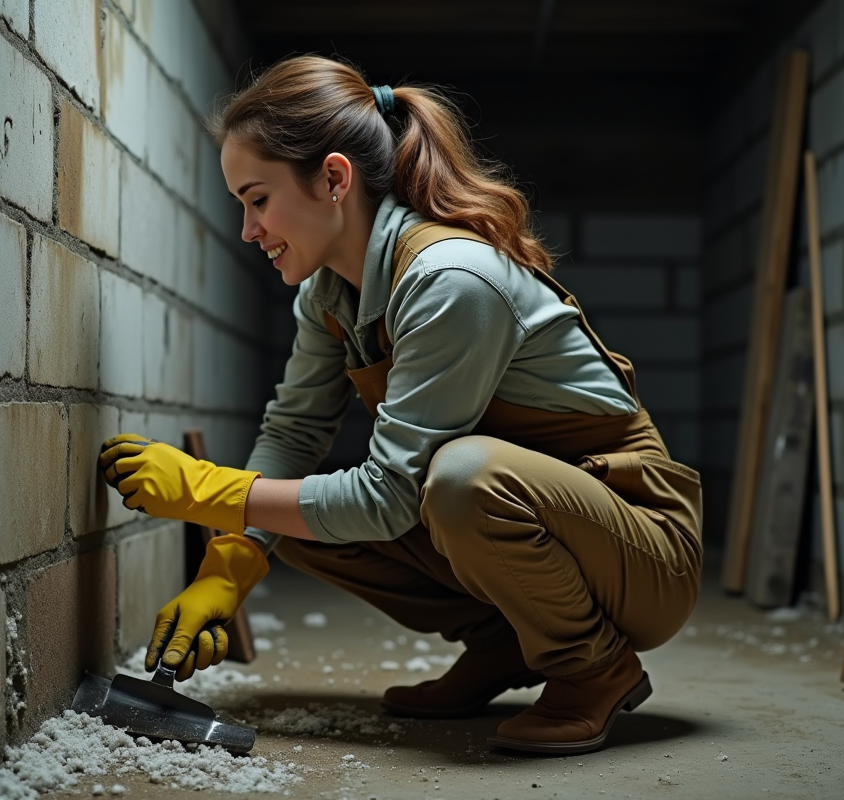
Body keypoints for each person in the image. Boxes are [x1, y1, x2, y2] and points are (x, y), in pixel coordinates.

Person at [98, 55, 702, 755]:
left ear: (332, 178)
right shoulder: (331, 295)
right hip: (551, 529)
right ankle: (506, 641)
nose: (247, 229)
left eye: (257, 199)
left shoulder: (451, 280)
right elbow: (293, 434)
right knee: (281, 513)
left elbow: (388, 499)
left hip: (644, 552)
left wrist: (207, 491)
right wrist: (228, 568)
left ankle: (594, 668)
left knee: (461, 477)